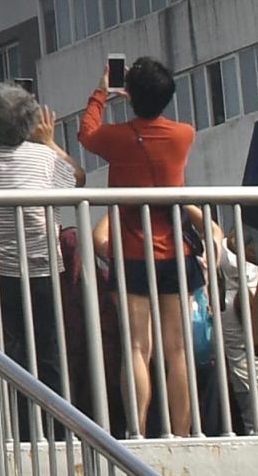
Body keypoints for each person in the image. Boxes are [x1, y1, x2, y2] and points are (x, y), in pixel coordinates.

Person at [74, 60, 199, 435]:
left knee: (137, 347)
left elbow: (86, 133)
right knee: (178, 349)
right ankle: (182, 433)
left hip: (130, 252)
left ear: (129, 94)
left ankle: (138, 430)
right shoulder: (184, 135)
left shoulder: (117, 138)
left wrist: (102, 92)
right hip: (176, 251)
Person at [0, 84, 76, 429]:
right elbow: (76, 177)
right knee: (47, 350)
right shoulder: (45, 159)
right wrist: (48, 140)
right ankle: (55, 429)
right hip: (40, 267)